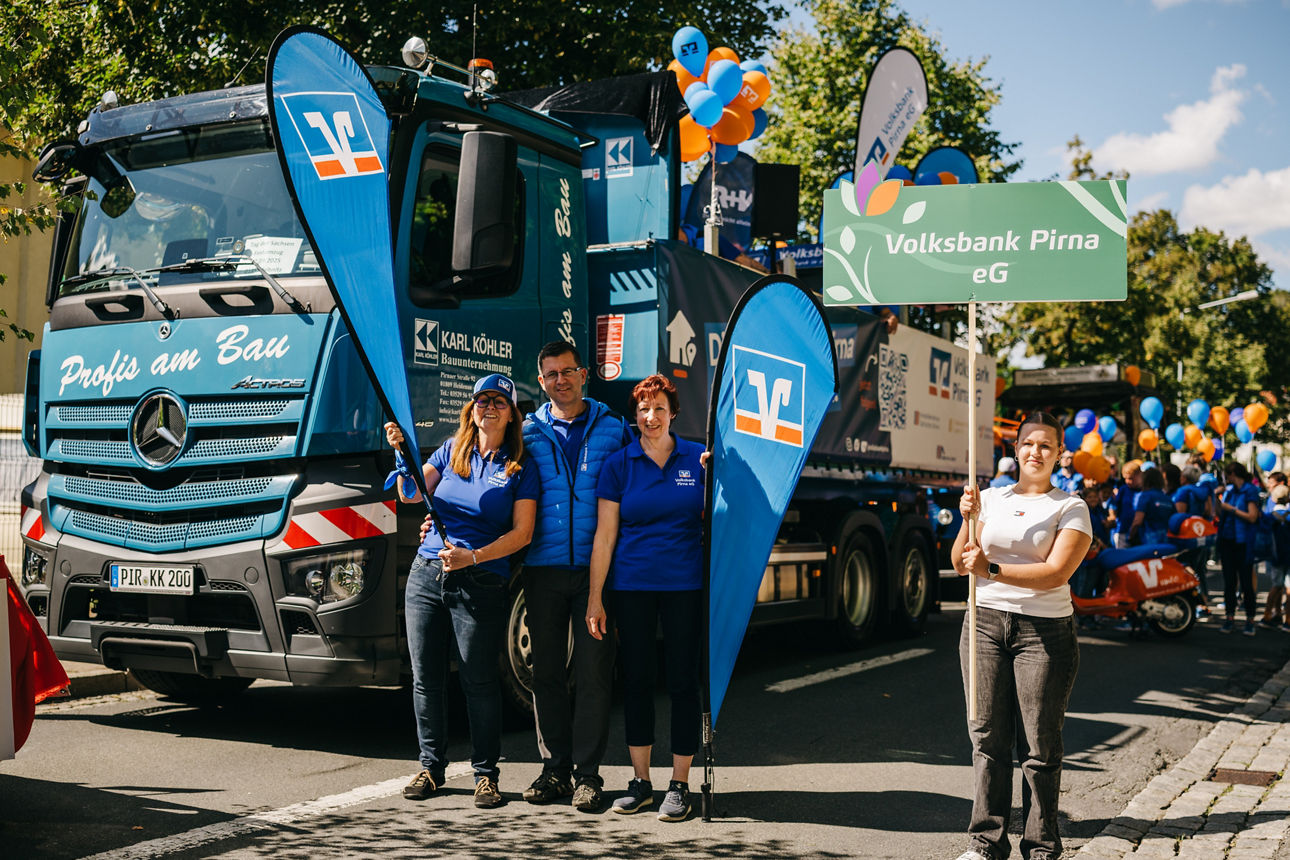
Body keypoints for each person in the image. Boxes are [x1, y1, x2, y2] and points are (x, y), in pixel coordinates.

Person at [387, 373, 539, 809]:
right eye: (481, 400)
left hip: (481, 579)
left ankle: (486, 776)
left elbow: (523, 533)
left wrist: (474, 557)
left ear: (512, 414)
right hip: (427, 573)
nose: (489, 407)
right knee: (426, 677)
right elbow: (413, 493)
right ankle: (430, 768)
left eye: (499, 402)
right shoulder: (452, 450)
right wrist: (403, 456)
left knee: (478, 680)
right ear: (471, 409)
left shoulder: (519, 467)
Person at [953, 411, 1092, 860]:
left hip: (1044, 634)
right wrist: (966, 519)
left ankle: (1040, 846)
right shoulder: (988, 498)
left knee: (1038, 746)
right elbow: (960, 561)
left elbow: (1055, 573)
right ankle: (986, 843)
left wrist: (990, 568)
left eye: (1046, 445)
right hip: (983, 625)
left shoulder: (1070, 507)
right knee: (987, 739)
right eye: (1028, 443)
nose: (1036, 451)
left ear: (1059, 454)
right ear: (1015, 450)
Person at [586, 374, 706, 823]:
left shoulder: (699, 459)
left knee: (681, 683)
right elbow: (605, 536)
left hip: (684, 588)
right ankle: (641, 782)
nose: (650, 417)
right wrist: (595, 597)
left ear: (673, 412)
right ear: (633, 415)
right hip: (632, 587)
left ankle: (679, 784)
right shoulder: (619, 464)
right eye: (643, 409)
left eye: (658, 408)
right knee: (636, 681)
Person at [519, 341, 633, 812]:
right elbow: (482, 472)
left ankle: (588, 776)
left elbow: (643, 475)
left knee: (592, 675)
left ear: (584, 374)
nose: (560, 380)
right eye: (550, 374)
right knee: (545, 673)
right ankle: (555, 771)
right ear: (541, 380)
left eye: (568, 371)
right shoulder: (526, 432)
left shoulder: (613, 429)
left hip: (596, 574)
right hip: (542, 569)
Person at [1217, 461, 1261, 636]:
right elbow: (1220, 514)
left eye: (1228, 476)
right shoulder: (1229, 492)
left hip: (1243, 542)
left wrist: (1231, 509)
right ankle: (1230, 617)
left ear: (1234, 474)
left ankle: (1250, 620)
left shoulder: (1250, 490)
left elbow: (1252, 517)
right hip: (1227, 540)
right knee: (1229, 581)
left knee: (1246, 582)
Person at [1175, 464, 1216, 619]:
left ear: (1184, 477)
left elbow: (1179, 514)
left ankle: (1190, 604)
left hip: (1186, 536)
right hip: (1200, 535)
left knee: (1186, 569)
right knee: (1200, 570)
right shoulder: (1203, 492)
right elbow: (1207, 511)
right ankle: (1203, 603)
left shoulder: (1183, 492)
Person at [1258, 472, 1288, 630]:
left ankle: (1268, 614)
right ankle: (1286, 619)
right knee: (1287, 588)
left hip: (1275, 555)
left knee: (1276, 585)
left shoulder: (1270, 517)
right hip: (1287, 556)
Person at [1130, 467, 1174, 546]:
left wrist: (1130, 536)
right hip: (1167, 542)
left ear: (1145, 480)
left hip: (1150, 543)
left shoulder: (1145, 496)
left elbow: (1137, 521)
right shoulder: (1168, 499)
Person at [1111, 460, 1143, 549]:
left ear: (1139, 475)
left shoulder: (1144, 491)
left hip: (1139, 533)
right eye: (1125, 478)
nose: (1128, 481)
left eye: (1131, 478)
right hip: (1122, 530)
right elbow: (1116, 507)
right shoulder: (1123, 489)